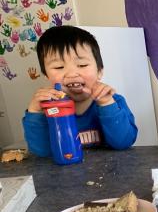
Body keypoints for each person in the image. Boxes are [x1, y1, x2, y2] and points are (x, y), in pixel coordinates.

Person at [22, 26, 138, 157]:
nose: (72, 74)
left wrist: (106, 104)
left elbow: (123, 143)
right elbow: (41, 152)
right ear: (46, 76)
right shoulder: (48, 109)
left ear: (99, 71)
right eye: (59, 67)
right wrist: (35, 112)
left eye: (82, 65)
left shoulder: (114, 102)